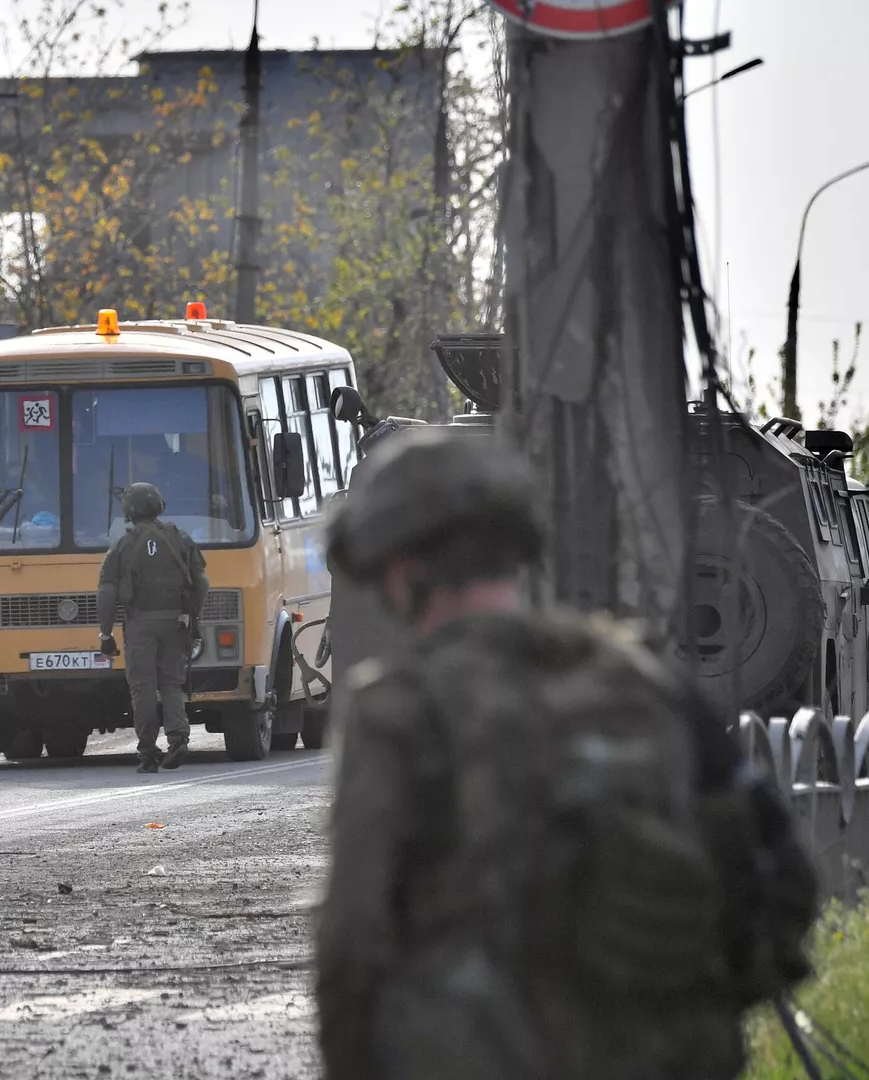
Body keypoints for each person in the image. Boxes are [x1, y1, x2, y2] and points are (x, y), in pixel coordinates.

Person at [314, 429, 818, 1080]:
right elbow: (783, 881)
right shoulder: (650, 684)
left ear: (406, 575)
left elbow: (352, 949)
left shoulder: (398, 712)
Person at [97, 482, 209, 774]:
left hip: (139, 624)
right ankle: (178, 739)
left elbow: (107, 591)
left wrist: (106, 633)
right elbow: (201, 583)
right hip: (175, 622)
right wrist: (192, 616)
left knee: (142, 687)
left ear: (129, 512)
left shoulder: (123, 545)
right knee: (171, 683)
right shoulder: (180, 539)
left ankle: (147, 752)